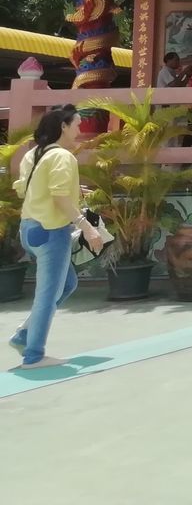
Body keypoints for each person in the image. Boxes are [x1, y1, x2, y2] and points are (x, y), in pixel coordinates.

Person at [8, 105, 103, 369]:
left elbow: (24, 188)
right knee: (47, 296)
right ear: (63, 125)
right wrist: (87, 227)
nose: (80, 128)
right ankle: (33, 355)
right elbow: (60, 197)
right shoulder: (63, 157)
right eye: (77, 123)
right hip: (52, 232)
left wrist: (74, 189)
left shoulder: (34, 154)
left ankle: (24, 335)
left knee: (67, 284)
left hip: (30, 229)